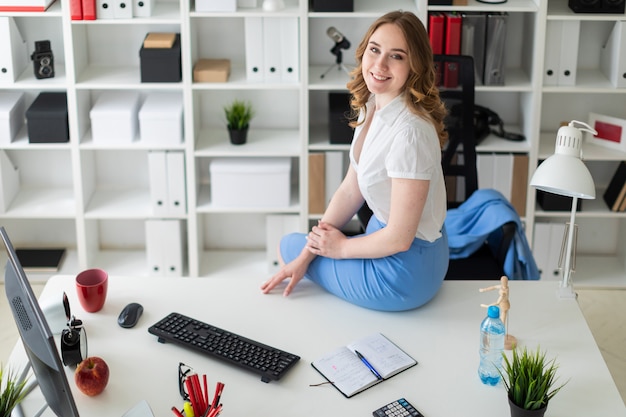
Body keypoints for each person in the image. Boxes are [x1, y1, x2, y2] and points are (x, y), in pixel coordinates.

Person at [260, 10, 449, 311]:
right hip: (384, 239)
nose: (380, 65)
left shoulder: (410, 133)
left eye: (396, 56)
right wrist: (311, 253)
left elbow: (400, 238)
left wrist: (341, 247)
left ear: (414, 65)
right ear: (364, 51)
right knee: (298, 251)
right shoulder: (373, 104)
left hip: (408, 269)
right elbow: (351, 189)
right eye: (375, 50)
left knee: (288, 246)